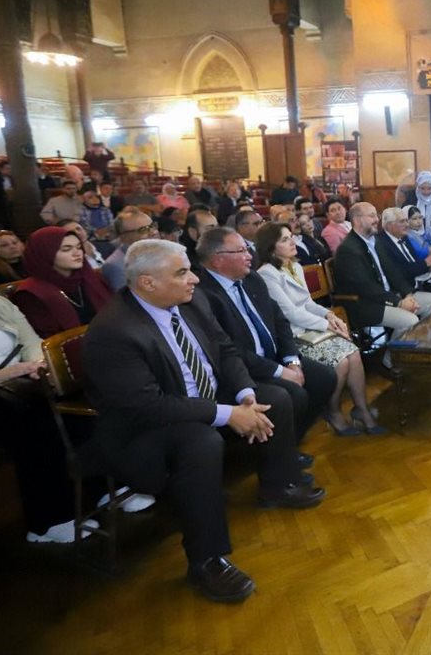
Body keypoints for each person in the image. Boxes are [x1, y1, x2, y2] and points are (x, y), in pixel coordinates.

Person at [83, 239, 324, 603]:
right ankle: (206, 562)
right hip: (144, 430)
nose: (195, 278)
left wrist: (245, 394)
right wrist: (228, 414)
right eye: (182, 272)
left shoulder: (191, 301)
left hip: (201, 398)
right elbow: (148, 406)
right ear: (148, 283)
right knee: (201, 442)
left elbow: (225, 350)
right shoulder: (113, 331)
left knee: (273, 397)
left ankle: (278, 485)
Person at [0, 242, 93, 544]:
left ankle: (100, 489)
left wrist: (36, 364)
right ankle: (48, 520)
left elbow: (31, 341)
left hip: (26, 383)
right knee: (37, 422)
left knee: (82, 398)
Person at [193, 228, 336, 441]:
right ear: (218, 260)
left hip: (274, 357)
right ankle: (280, 448)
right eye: (241, 251)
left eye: (247, 249)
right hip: (244, 369)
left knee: (325, 377)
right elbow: (230, 350)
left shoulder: (251, 278)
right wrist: (279, 371)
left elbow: (279, 319)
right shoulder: (203, 296)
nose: (250, 256)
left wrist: (292, 361)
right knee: (291, 394)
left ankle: (292, 440)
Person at [254, 222, 383, 436]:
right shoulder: (267, 274)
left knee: (353, 353)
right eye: (285, 240)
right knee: (341, 362)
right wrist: (327, 324)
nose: (293, 242)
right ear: (271, 247)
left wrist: (329, 315)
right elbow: (290, 313)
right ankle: (333, 411)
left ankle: (362, 409)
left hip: (310, 327)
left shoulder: (294, 266)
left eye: (291, 237)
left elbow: (307, 303)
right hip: (293, 335)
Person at [331, 202, 431, 341]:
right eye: (371, 216)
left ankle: (425, 346)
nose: (377, 219)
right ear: (357, 220)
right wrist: (399, 303)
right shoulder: (348, 249)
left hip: (388, 296)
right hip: (365, 304)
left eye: (377, 215)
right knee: (409, 320)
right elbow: (366, 287)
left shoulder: (375, 241)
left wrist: (408, 294)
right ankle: (393, 354)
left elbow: (393, 272)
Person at [11, 226, 113, 337]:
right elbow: (51, 339)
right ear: (45, 253)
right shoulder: (31, 294)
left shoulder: (90, 277)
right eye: (66, 249)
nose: (77, 253)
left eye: (79, 247)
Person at [376, 206, 431, 288]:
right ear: (389, 225)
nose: (407, 224)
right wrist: (426, 263)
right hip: (403, 289)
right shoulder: (381, 244)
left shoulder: (404, 237)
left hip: (419, 281)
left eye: (406, 220)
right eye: (402, 221)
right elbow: (400, 272)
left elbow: (414, 262)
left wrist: (430, 267)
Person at [101, 208, 159, 291]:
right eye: (144, 230)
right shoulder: (116, 266)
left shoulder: (160, 253)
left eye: (153, 226)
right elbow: (128, 298)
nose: (153, 232)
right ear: (124, 237)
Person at [409, 170, 431, 244]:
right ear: (418, 187)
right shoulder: (411, 199)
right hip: (416, 237)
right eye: (422, 188)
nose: (426, 192)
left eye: (429, 188)